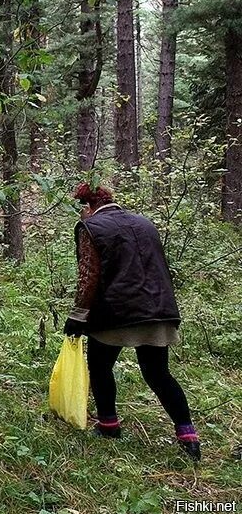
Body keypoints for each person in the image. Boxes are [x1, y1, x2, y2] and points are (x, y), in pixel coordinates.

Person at [64, 183, 200, 461]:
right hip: (157, 310)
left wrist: (78, 315)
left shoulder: (91, 227)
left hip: (116, 314)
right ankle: (188, 437)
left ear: (87, 207)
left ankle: (109, 426)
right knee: (158, 374)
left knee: (100, 367)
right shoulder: (144, 223)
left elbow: (88, 276)